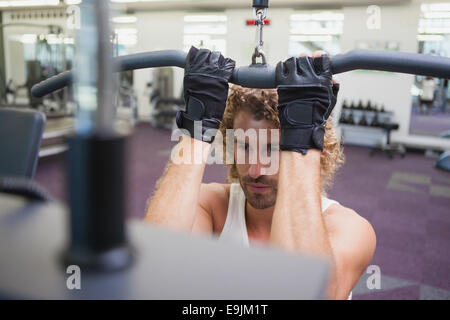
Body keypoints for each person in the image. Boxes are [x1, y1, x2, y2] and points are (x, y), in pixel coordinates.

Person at [145, 47, 376, 300]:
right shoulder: (212, 206)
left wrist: (302, 138)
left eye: (274, 149)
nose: (255, 170)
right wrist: (197, 126)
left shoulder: (350, 228)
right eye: (245, 146)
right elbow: (153, 269)